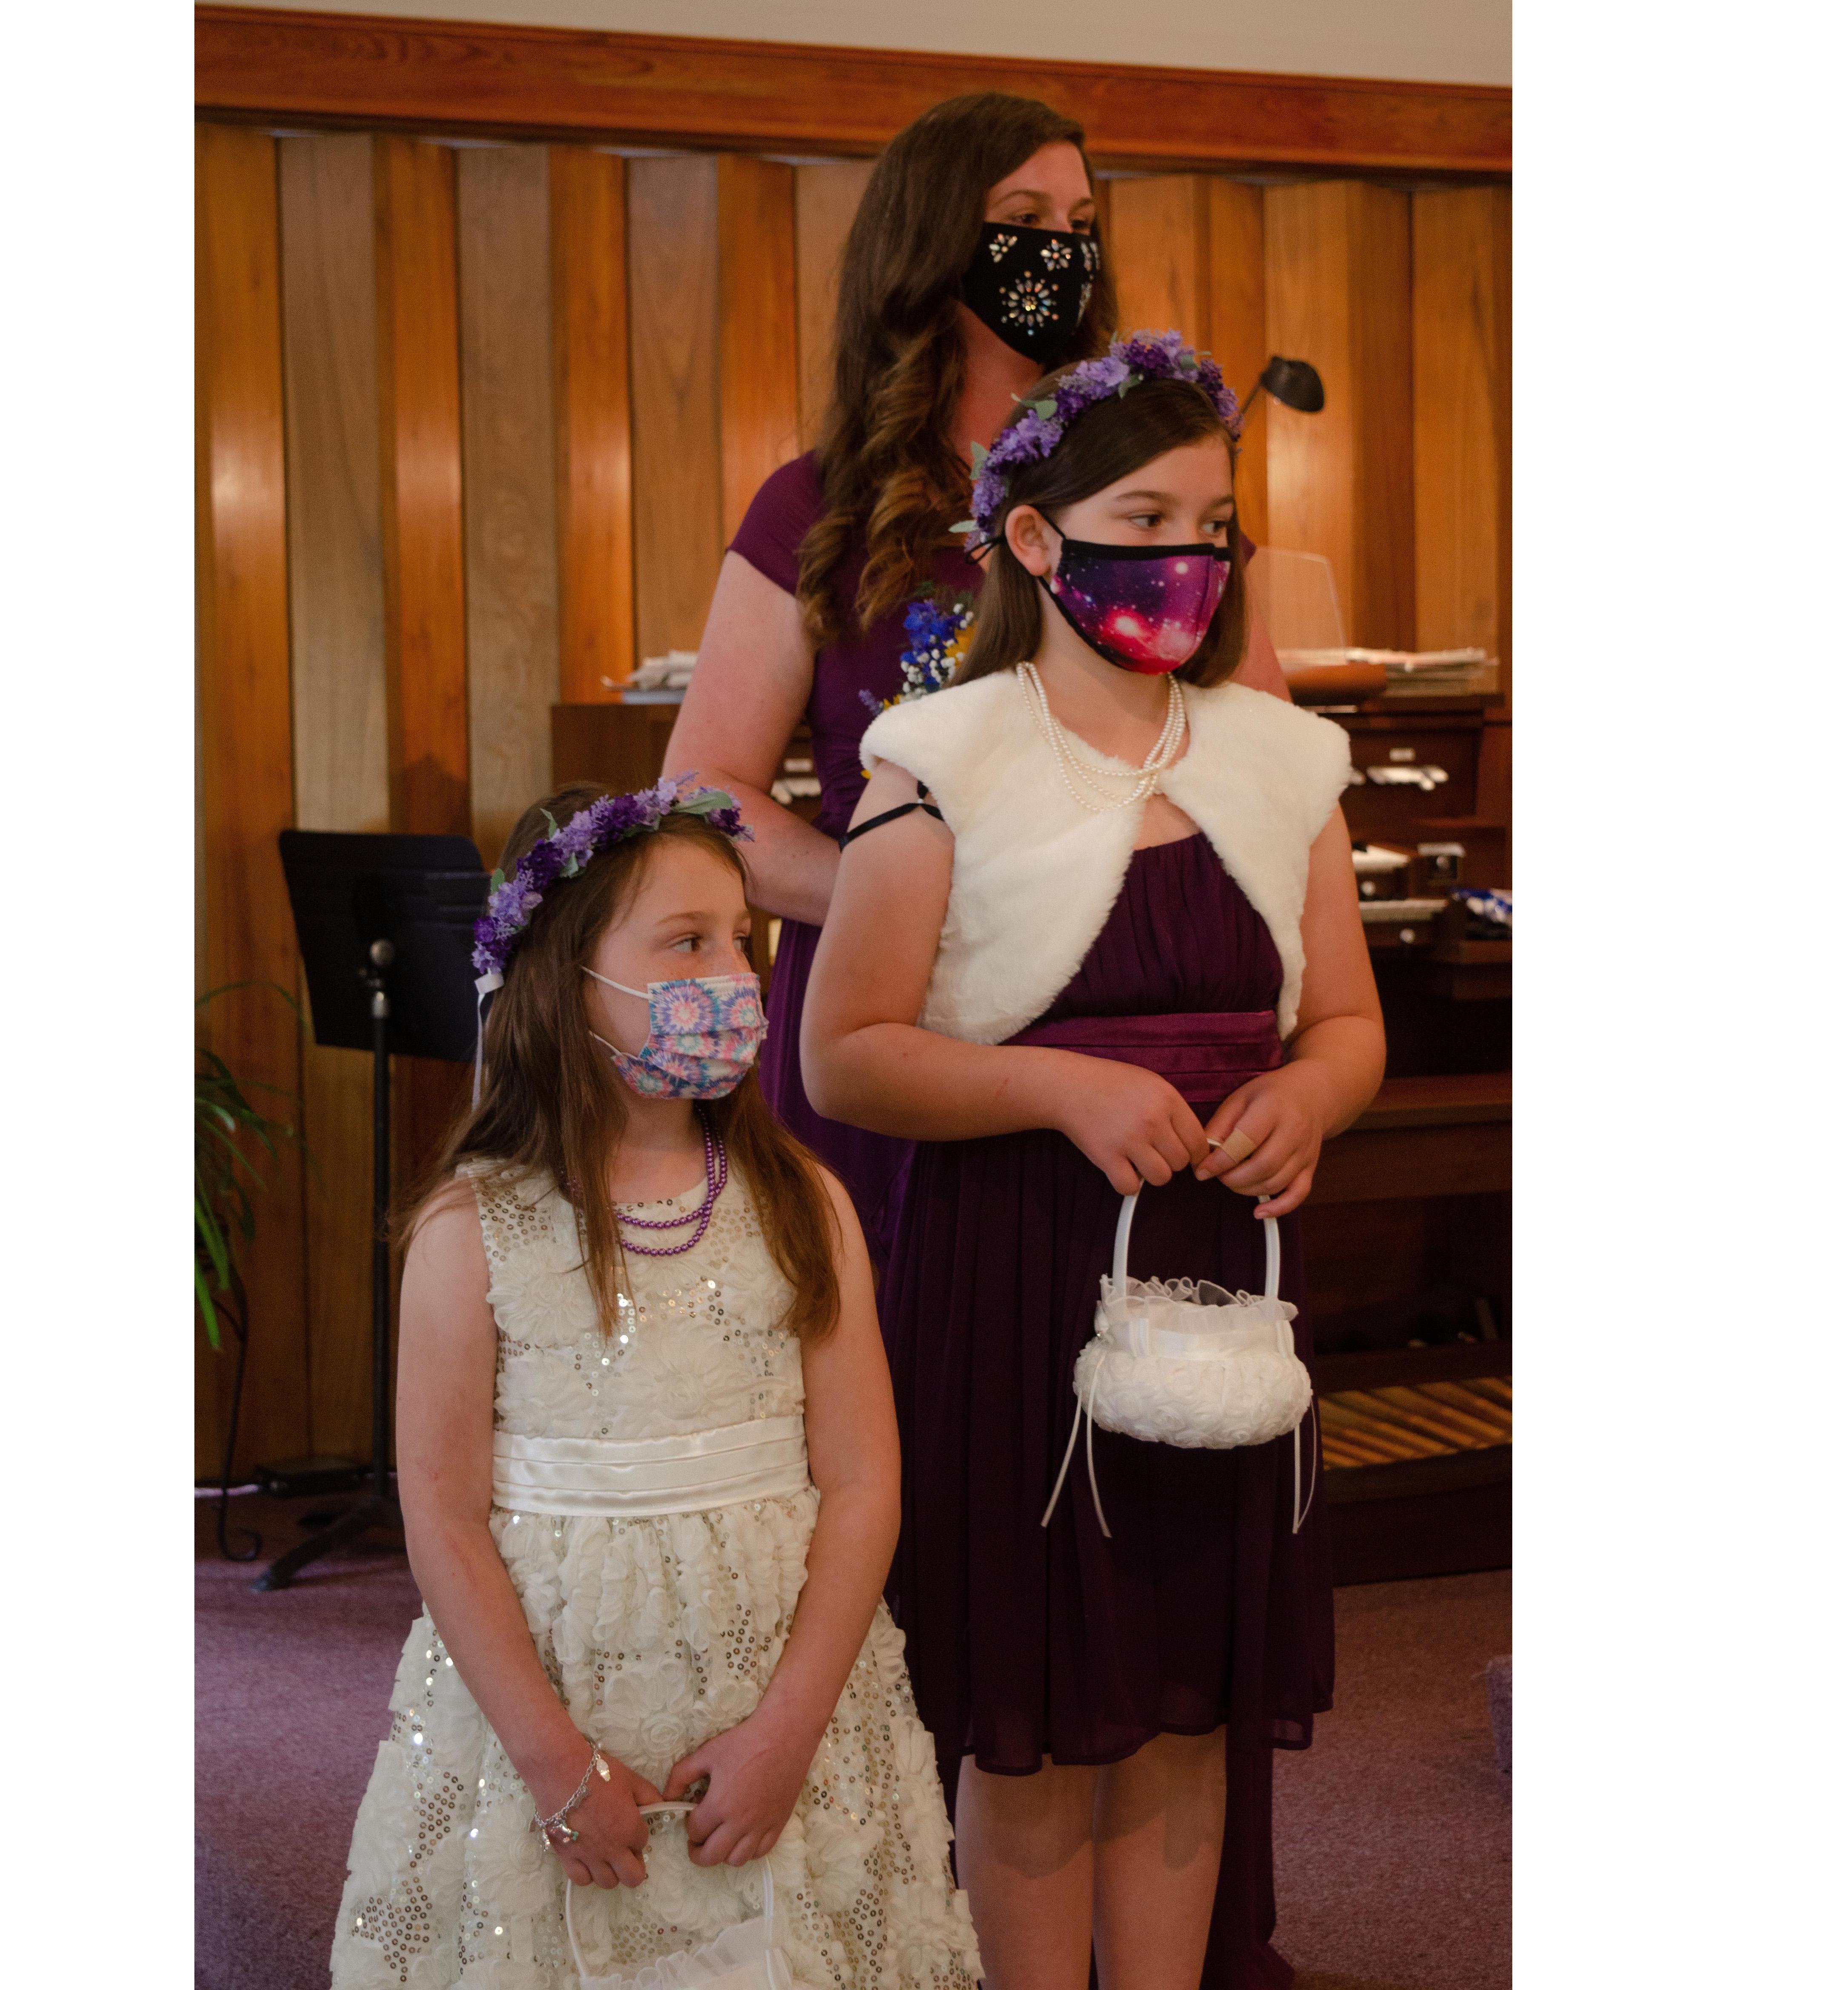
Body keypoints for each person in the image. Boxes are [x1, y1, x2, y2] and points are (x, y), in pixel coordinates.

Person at [800, 337, 1386, 1990]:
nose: (1190, 560)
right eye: (1147, 516)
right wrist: (1059, 1086)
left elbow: (1340, 1018)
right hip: (1020, 1272)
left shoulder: (1279, 762)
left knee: (1187, 1702)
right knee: (1042, 1722)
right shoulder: (945, 753)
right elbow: (843, 1049)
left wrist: (1313, 1098)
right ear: (1041, 540)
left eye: (1213, 522)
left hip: (1219, 1282)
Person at [329, 780, 978, 1990]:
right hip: (556, 1709)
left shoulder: (802, 1203)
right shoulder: (473, 1234)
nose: (732, 979)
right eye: (686, 944)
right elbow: (444, 1515)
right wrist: (552, 1764)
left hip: (782, 1697)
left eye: (742, 941)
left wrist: (788, 1735)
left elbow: (862, 1480)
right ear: (561, 976)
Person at [663, 91, 1291, 1267]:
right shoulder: (819, 504)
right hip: (895, 1019)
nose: (1061, 247)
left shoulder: (1151, 498)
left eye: (1080, 220)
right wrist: (888, 900)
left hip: (1120, 1001)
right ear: (936, 244)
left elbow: (1264, 756)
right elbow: (703, 790)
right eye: (1022, 217)